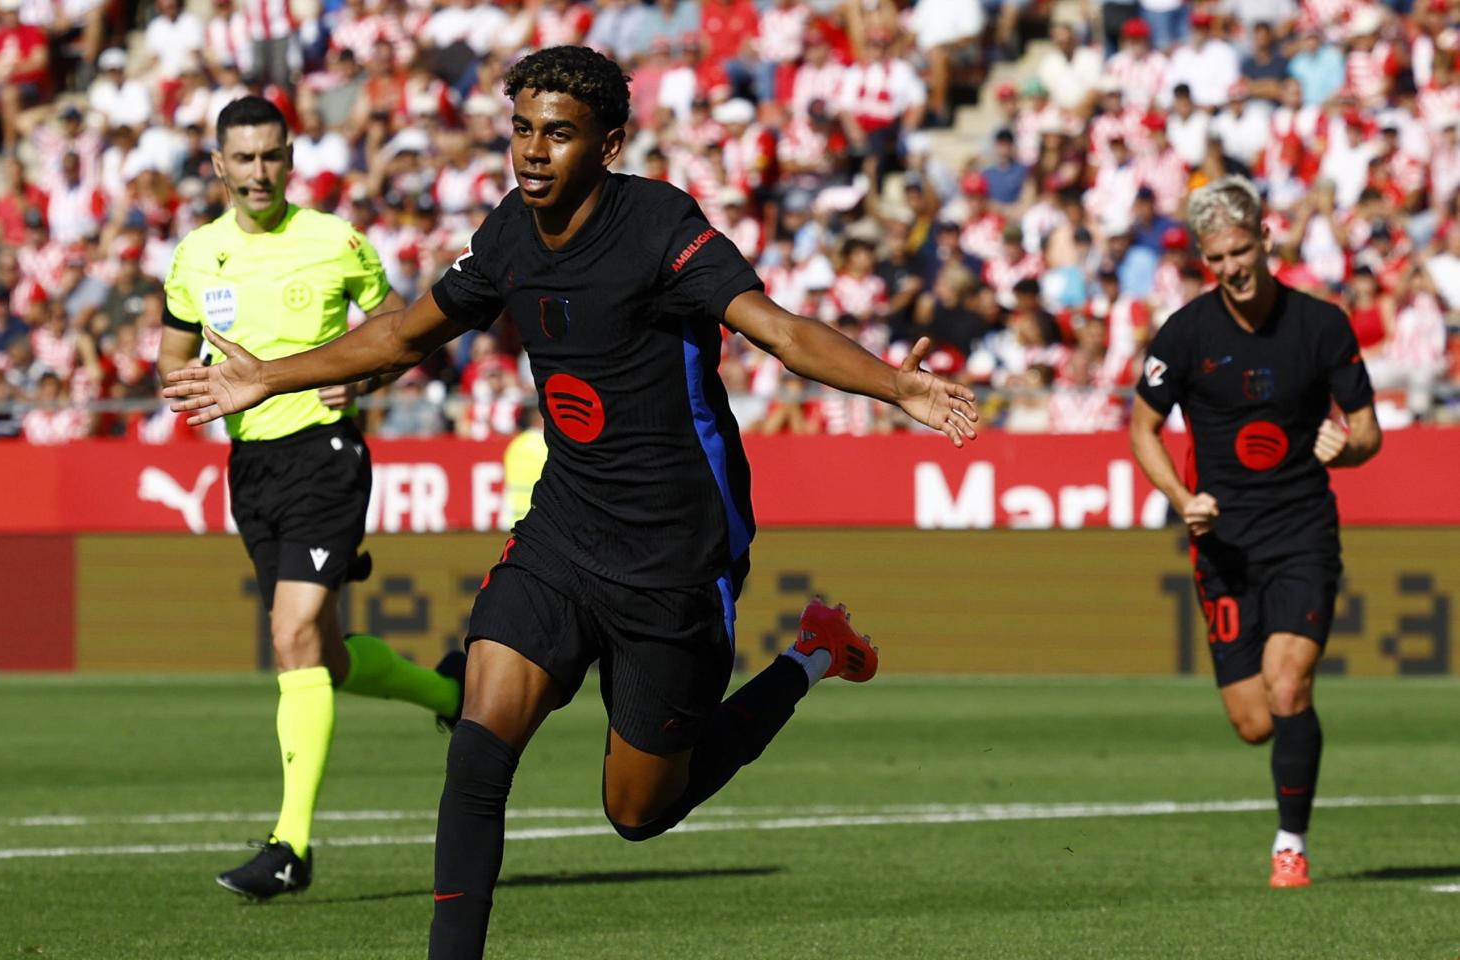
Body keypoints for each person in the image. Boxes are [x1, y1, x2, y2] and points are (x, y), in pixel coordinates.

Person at [163, 47, 978, 957]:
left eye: (559, 133)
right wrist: (265, 378)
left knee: (636, 811)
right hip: (562, 529)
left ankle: (812, 656)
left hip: (674, 553)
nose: (534, 152)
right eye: (522, 131)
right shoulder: (510, 232)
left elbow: (780, 330)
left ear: (609, 143)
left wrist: (895, 388)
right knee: (477, 744)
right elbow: (402, 332)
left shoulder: (661, 225)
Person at [157, 95, 466, 901]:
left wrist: (365, 376)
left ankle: (289, 846)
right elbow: (170, 360)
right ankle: (450, 692)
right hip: (250, 469)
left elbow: (403, 326)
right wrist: (188, 384)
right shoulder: (195, 255)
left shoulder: (335, 242)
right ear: (217, 165)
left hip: (326, 456)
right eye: (244, 158)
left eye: (272, 156)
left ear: (290, 160)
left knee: (290, 634)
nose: (259, 171)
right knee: (320, 655)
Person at [1128, 175, 1382, 890]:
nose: (1231, 269)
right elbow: (1141, 430)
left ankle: (1290, 844)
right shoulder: (1184, 335)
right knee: (1253, 719)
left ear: (1266, 240)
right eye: (1215, 259)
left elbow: (1368, 432)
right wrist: (1181, 498)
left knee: (1288, 683)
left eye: (1240, 251)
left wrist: (1349, 447)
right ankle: (1290, 745)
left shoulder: (1321, 324)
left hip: (1303, 530)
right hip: (1224, 545)